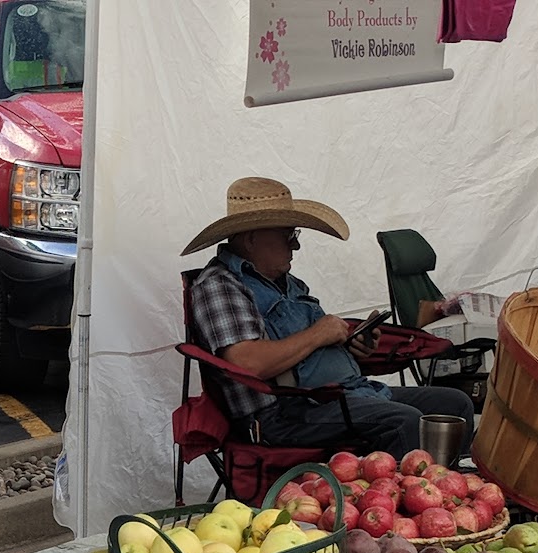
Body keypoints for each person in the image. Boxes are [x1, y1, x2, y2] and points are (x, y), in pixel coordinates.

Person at [183, 177, 474, 459]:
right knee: (403, 421)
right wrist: (318, 334)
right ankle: (408, 504)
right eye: (289, 236)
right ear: (251, 239)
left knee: (453, 404)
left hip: (336, 395)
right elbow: (246, 362)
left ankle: (450, 497)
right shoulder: (220, 285)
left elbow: (305, 355)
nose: (295, 246)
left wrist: (351, 347)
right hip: (283, 413)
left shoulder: (288, 283)